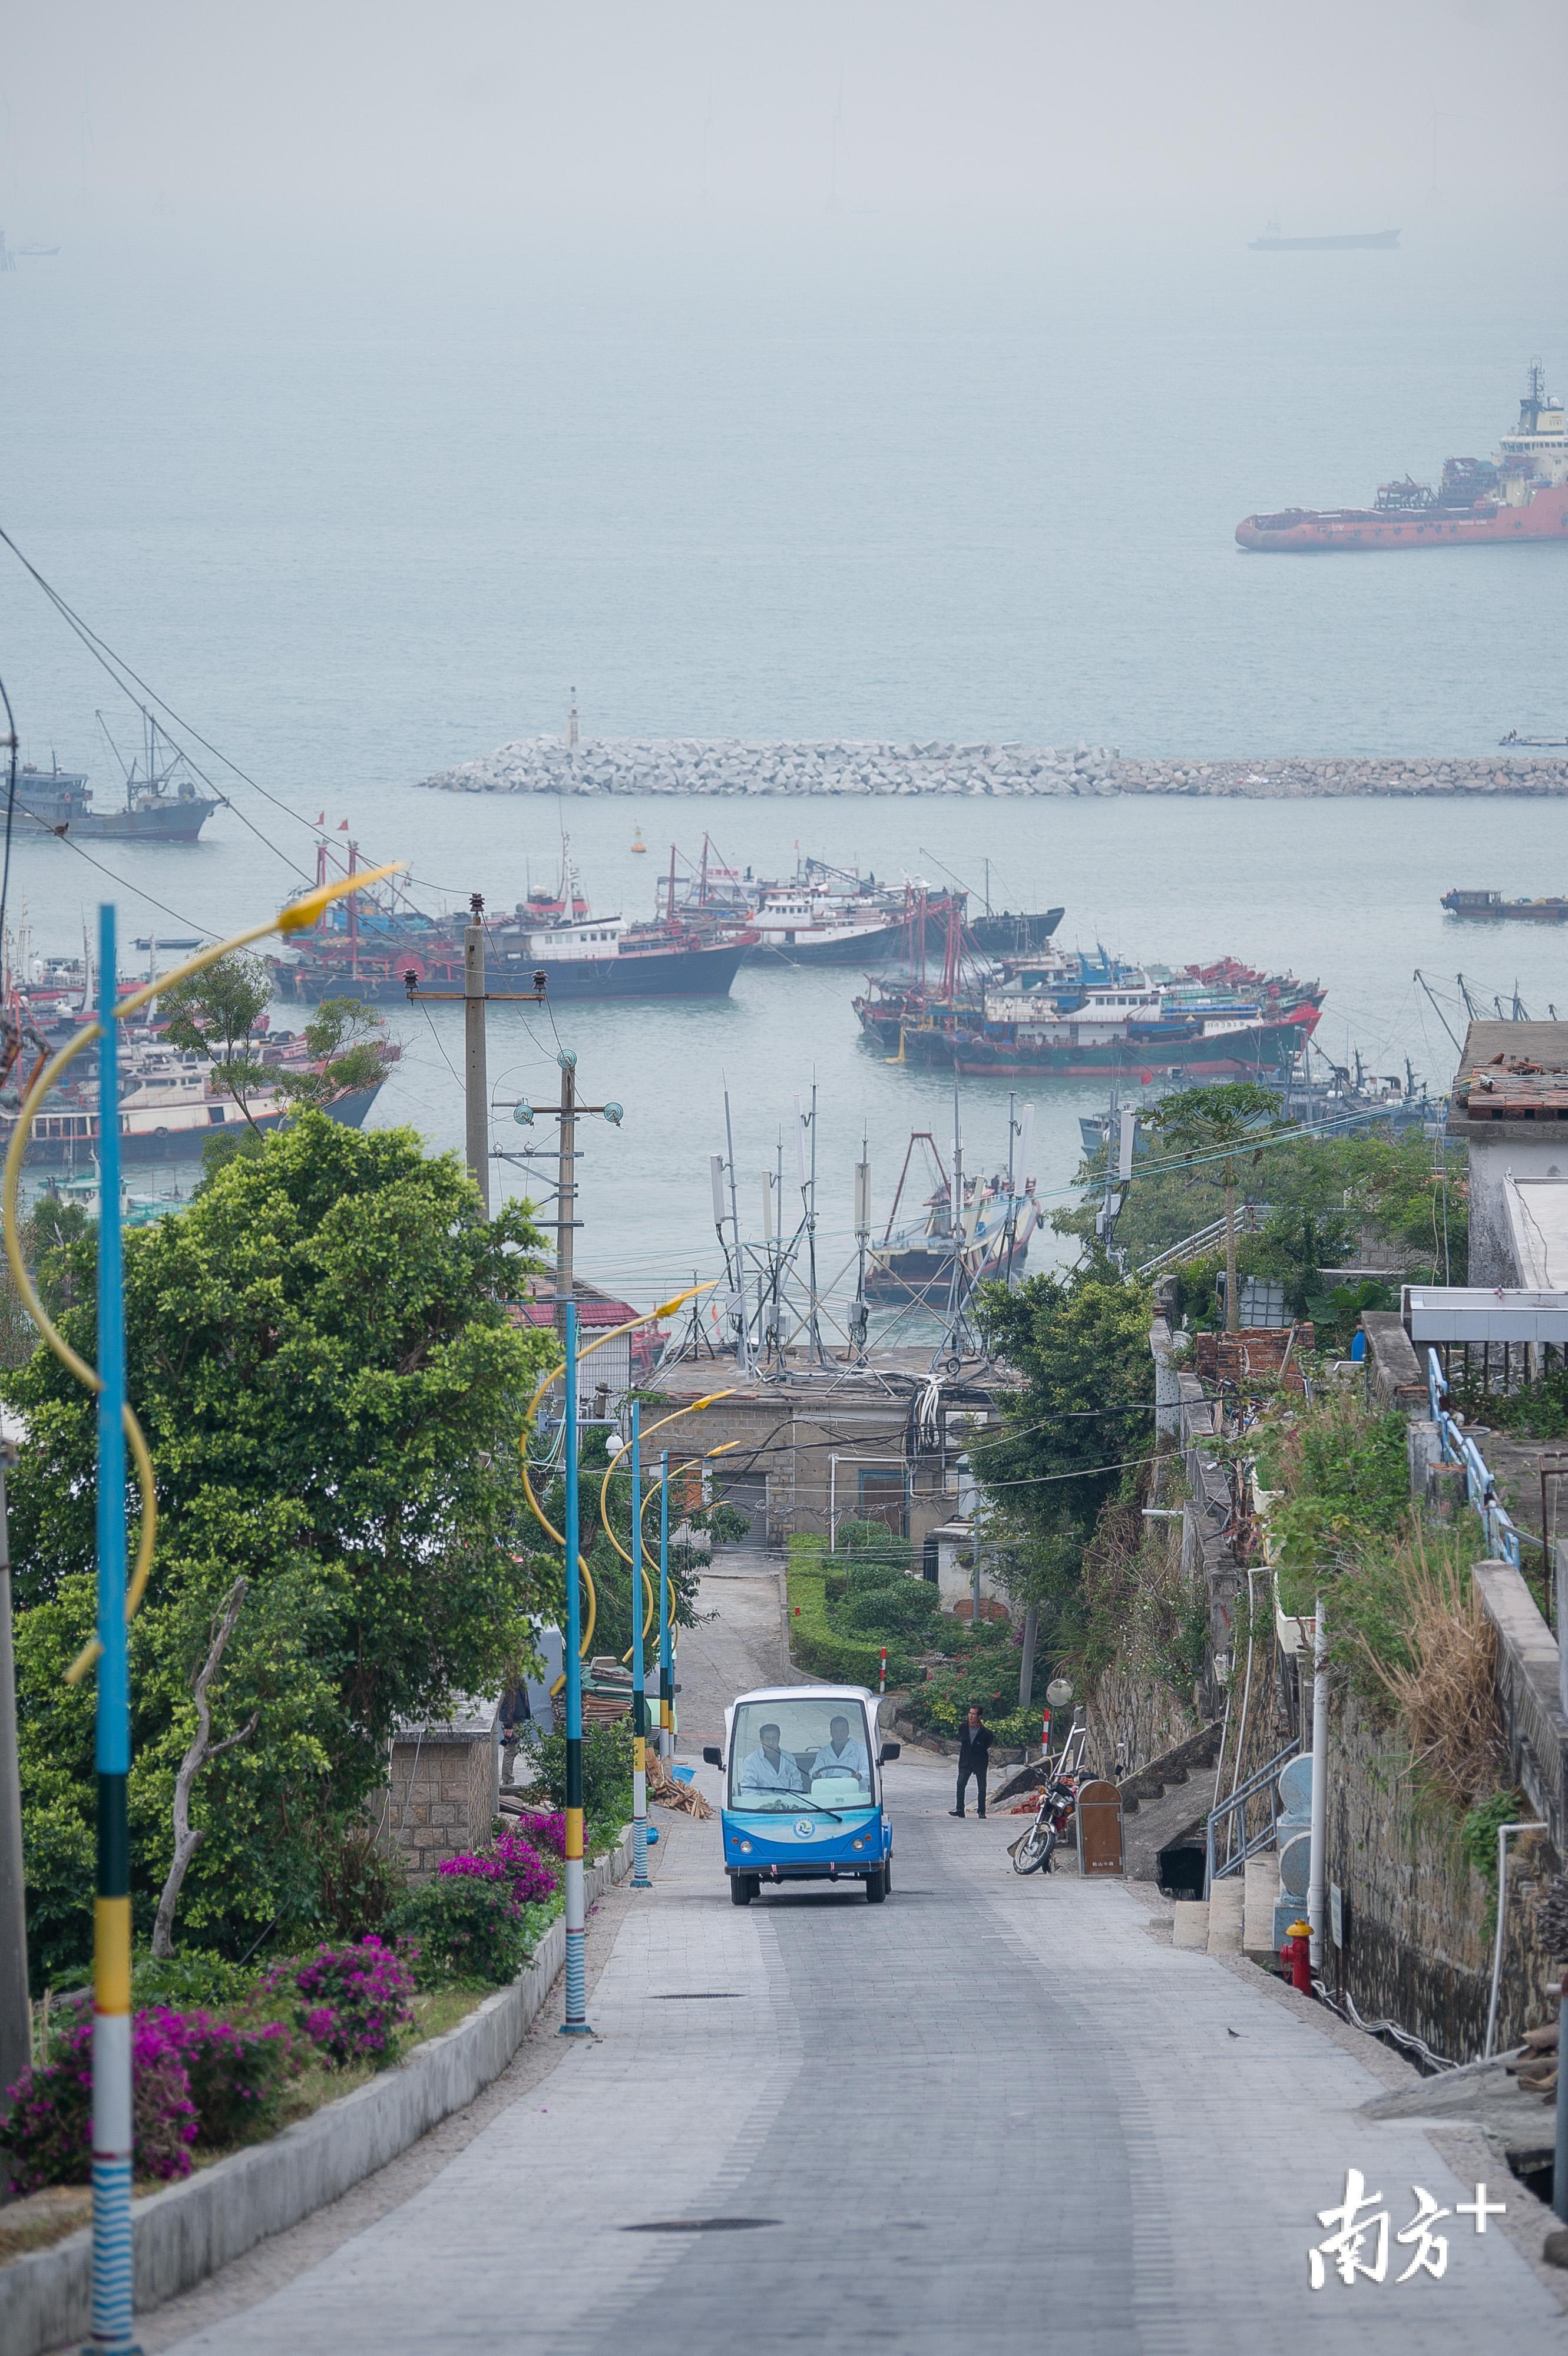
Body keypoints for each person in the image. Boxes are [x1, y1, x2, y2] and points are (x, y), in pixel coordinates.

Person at [950, 1704, 993, 1818]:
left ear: (979, 1716)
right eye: (970, 1713)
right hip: (965, 1761)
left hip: (980, 1761)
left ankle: (981, 1811)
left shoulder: (986, 1733)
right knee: (960, 1784)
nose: (971, 1716)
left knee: (982, 1788)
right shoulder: (963, 1727)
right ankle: (960, 1809)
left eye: (974, 1714)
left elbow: (987, 1745)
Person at [738, 1721, 805, 1795]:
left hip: (788, 1803)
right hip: (762, 1804)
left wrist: (790, 1800)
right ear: (761, 1740)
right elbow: (748, 1790)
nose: (771, 1743)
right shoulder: (751, 1761)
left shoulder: (789, 1758)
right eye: (767, 1739)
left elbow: (797, 1783)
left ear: (779, 1739)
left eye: (774, 1739)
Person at [811, 1713, 869, 1784]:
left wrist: (860, 1776)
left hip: (854, 1792)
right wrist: (817, 1775)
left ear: (848, 1731)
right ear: (831, 1732)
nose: (839, 1735)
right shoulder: (823, 1753)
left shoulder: (861, 1751)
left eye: (842, 1731)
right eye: (836, 1731)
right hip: (829, 1790)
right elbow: (817, 1769)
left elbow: (868, 1773)